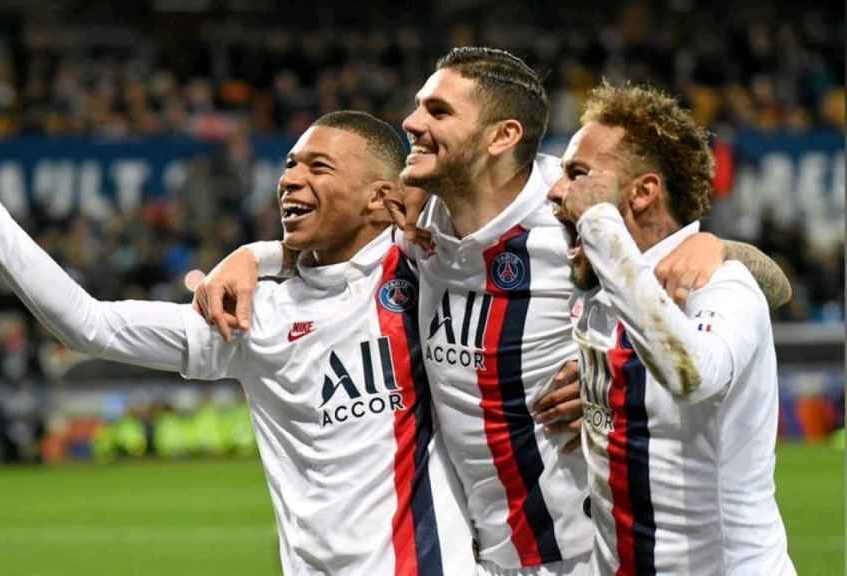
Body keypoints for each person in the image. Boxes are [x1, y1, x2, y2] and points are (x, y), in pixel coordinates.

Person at [195, 47, 791, 576]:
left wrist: (709, 246)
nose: (411, 123)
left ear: (502, 137)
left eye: (438, 111)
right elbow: (334, 234)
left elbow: (759, 283)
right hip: (483, 555)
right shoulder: (415, 217)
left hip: (586, 550)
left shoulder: (567, 208)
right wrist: (257, 253)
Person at [0, 114, 478, 575]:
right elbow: (88, 324)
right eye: (289, 165)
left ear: (379, 197)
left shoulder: (429, 270)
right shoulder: (251, 316)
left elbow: (512, 210)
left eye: (318, 167)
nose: (289, 180)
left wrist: (257, 253)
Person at [548, 82, 796, 575]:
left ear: (643, 192)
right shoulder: (604, 295)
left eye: (579, 174)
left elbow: (692, 374)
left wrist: (599, 224)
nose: (558, 191)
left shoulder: (721, 286)